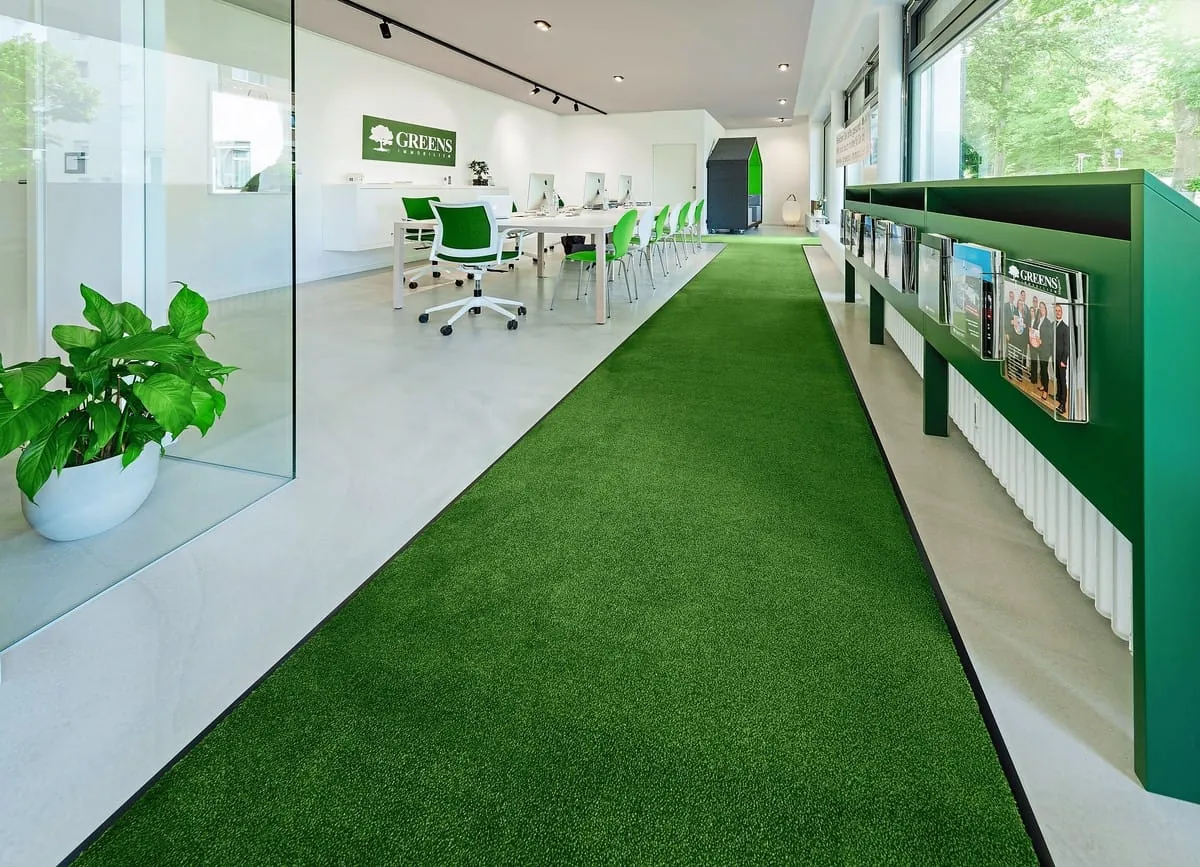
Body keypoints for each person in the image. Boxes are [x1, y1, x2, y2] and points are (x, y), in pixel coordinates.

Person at [1030, 301, 1052, 396]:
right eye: (1040, 307)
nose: (1041, 309)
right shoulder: (1038, 320)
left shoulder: (1048, 322)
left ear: (1045, 310)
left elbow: (1050, 338)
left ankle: (1046, 391)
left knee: (1044, 370)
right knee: (1041, 369)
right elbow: (1035, 331)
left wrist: (1042, 341)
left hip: (1045, 350)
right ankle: (1043, 385)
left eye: (1042, 307)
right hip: (1038, 348)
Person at [1054, 303, 1070, 415]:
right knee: (1058, 378)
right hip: (1055, 357)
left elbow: (1067, 346)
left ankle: (1063, 405)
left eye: (1059, 310)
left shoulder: (1065, 328)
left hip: (1061, 360)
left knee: (1063, 381)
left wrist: (1064, 361)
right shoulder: (1053, 325)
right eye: (1056, 310)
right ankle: (1058, 396)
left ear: (1062, 312)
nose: (1057, 312)